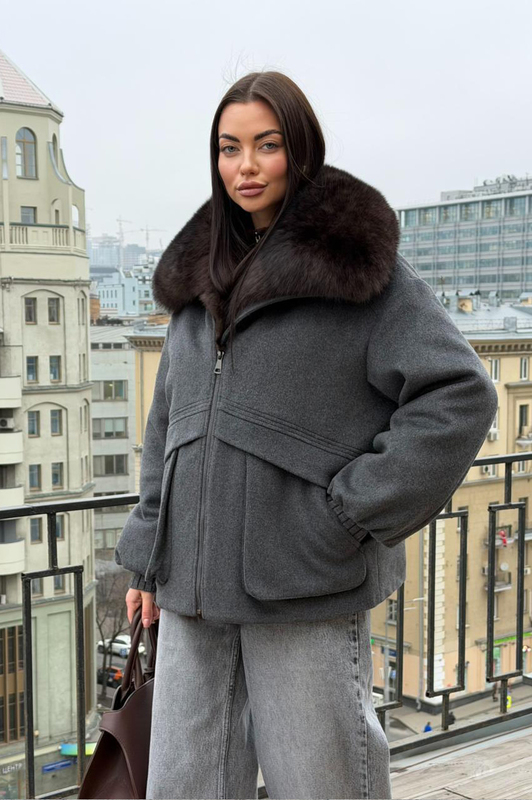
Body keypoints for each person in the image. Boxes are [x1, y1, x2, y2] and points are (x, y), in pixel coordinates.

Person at [114, 71, 499, 800]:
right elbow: (170, 423)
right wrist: (147, 558)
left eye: (267, 145)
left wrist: (346, 517)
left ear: (301, 150)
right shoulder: (200, 278)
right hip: (191, 589)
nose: (246, 166)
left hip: (300, 582)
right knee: (183, 787)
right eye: (229, 148)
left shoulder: (357, 270)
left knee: (323, 785)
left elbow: (459, 394)